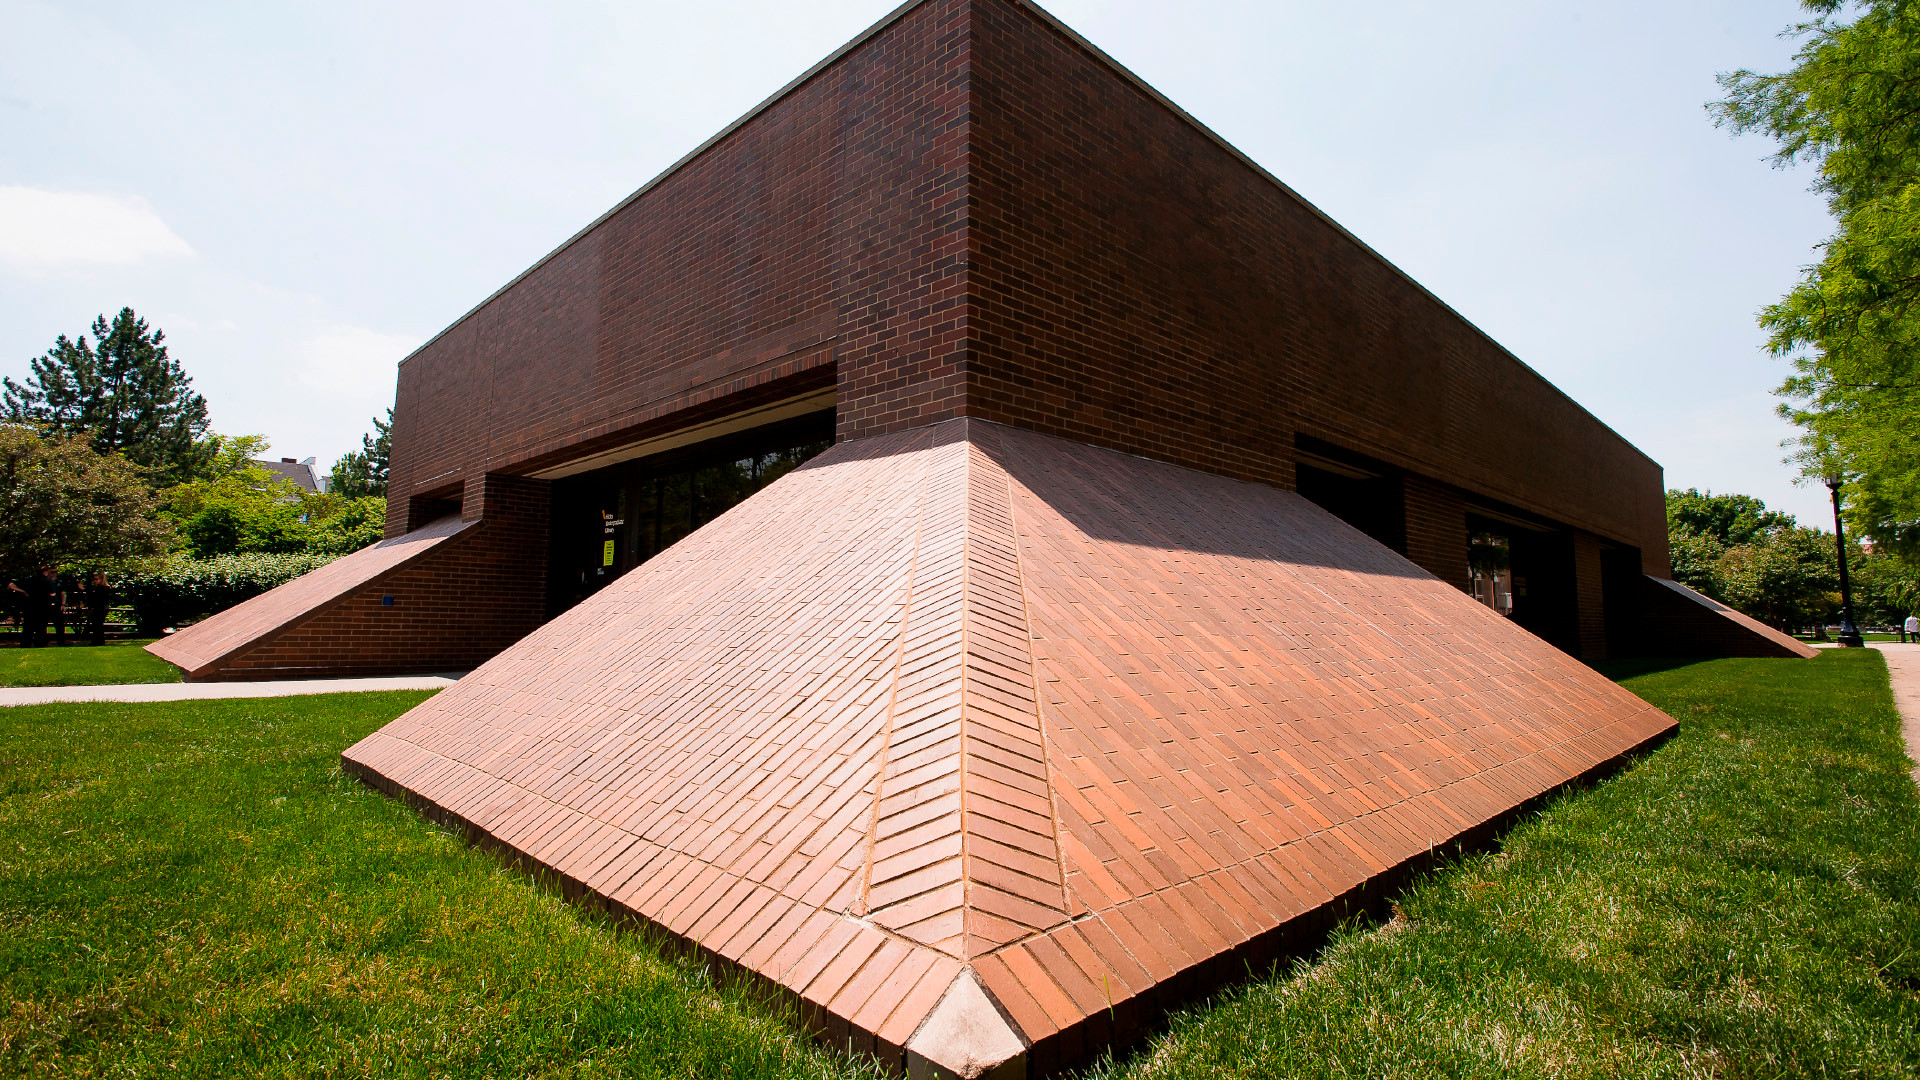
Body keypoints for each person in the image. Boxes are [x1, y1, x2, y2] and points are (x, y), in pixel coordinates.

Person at [6, 567, 58, 648]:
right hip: (43, 606)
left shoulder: (28, 579)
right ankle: (40, 643)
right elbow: (53, 593)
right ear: (46, 572)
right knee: (41, 626)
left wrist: (23, 591)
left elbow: (11, 585)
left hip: (29, 606)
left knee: (28, 626)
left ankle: (25, 643)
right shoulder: (48, 581)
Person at [85, 571, 113, 646]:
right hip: (101, 608)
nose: (95, 581)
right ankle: (98, 641)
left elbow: (95, 598)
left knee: (97, 625)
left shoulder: (103, 588)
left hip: (101, 608)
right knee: (97, 625)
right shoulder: (101, 588)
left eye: (96, 579)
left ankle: (97, 641)